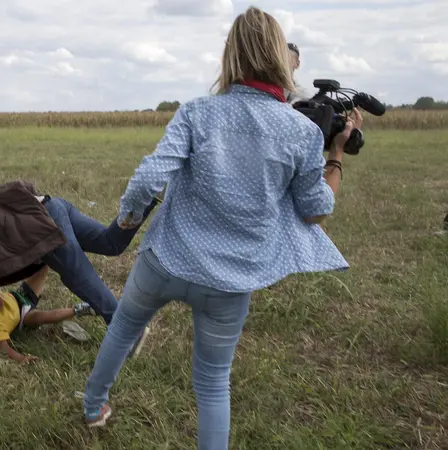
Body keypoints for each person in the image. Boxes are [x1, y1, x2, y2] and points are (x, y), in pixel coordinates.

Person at [80, 6, 361, 450]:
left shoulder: (197, 114)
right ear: (279, 56)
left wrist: (128, 220)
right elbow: (314, 210)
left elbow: (150, 179)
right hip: (231, 280)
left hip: (165, 260)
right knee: (212, 384)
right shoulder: (303, 133)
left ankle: (93, 405)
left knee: (123, 329)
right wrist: (336, 156)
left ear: (230, 55)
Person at [0, 180, 160, 356]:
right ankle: (144, 200)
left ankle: (129, 331)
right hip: (51, 206)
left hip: (40, 227)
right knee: (110, 243)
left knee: (79, 277)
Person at [0, 265, 97, 363]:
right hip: (25, 316)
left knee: (42, 268)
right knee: (42, 317)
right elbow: (4, 349)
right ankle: (80, 309)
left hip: (21, 295)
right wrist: (21, 358)